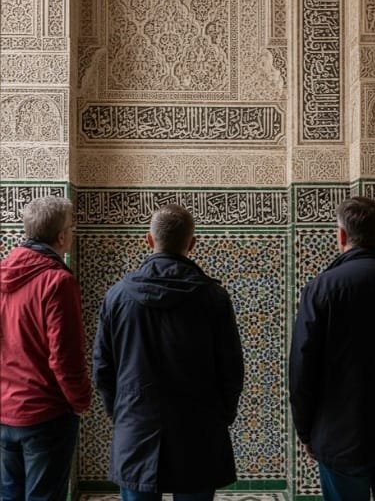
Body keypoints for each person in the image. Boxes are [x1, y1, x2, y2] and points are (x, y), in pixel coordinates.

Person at [93, 203, 244, 501]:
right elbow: (231, 368)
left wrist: (121, 412)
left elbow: (102, 367)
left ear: (149, 240)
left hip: (136, 427)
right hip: (199, 429)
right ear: (192, 243)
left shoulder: (117, 296)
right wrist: (221, 416)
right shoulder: (212, 297)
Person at [289, 196, 375, 501]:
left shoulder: (322, 288)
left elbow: (302, 367)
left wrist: (306, 430)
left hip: (339, 436)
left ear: (341, 235)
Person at [0, 196, 91, 501]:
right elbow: (64, 357)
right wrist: (80, 400)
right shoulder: (57, 282)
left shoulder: (2, 274)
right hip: (45, 414)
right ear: (61, 236)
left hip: (5, 410)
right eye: (71, 228)